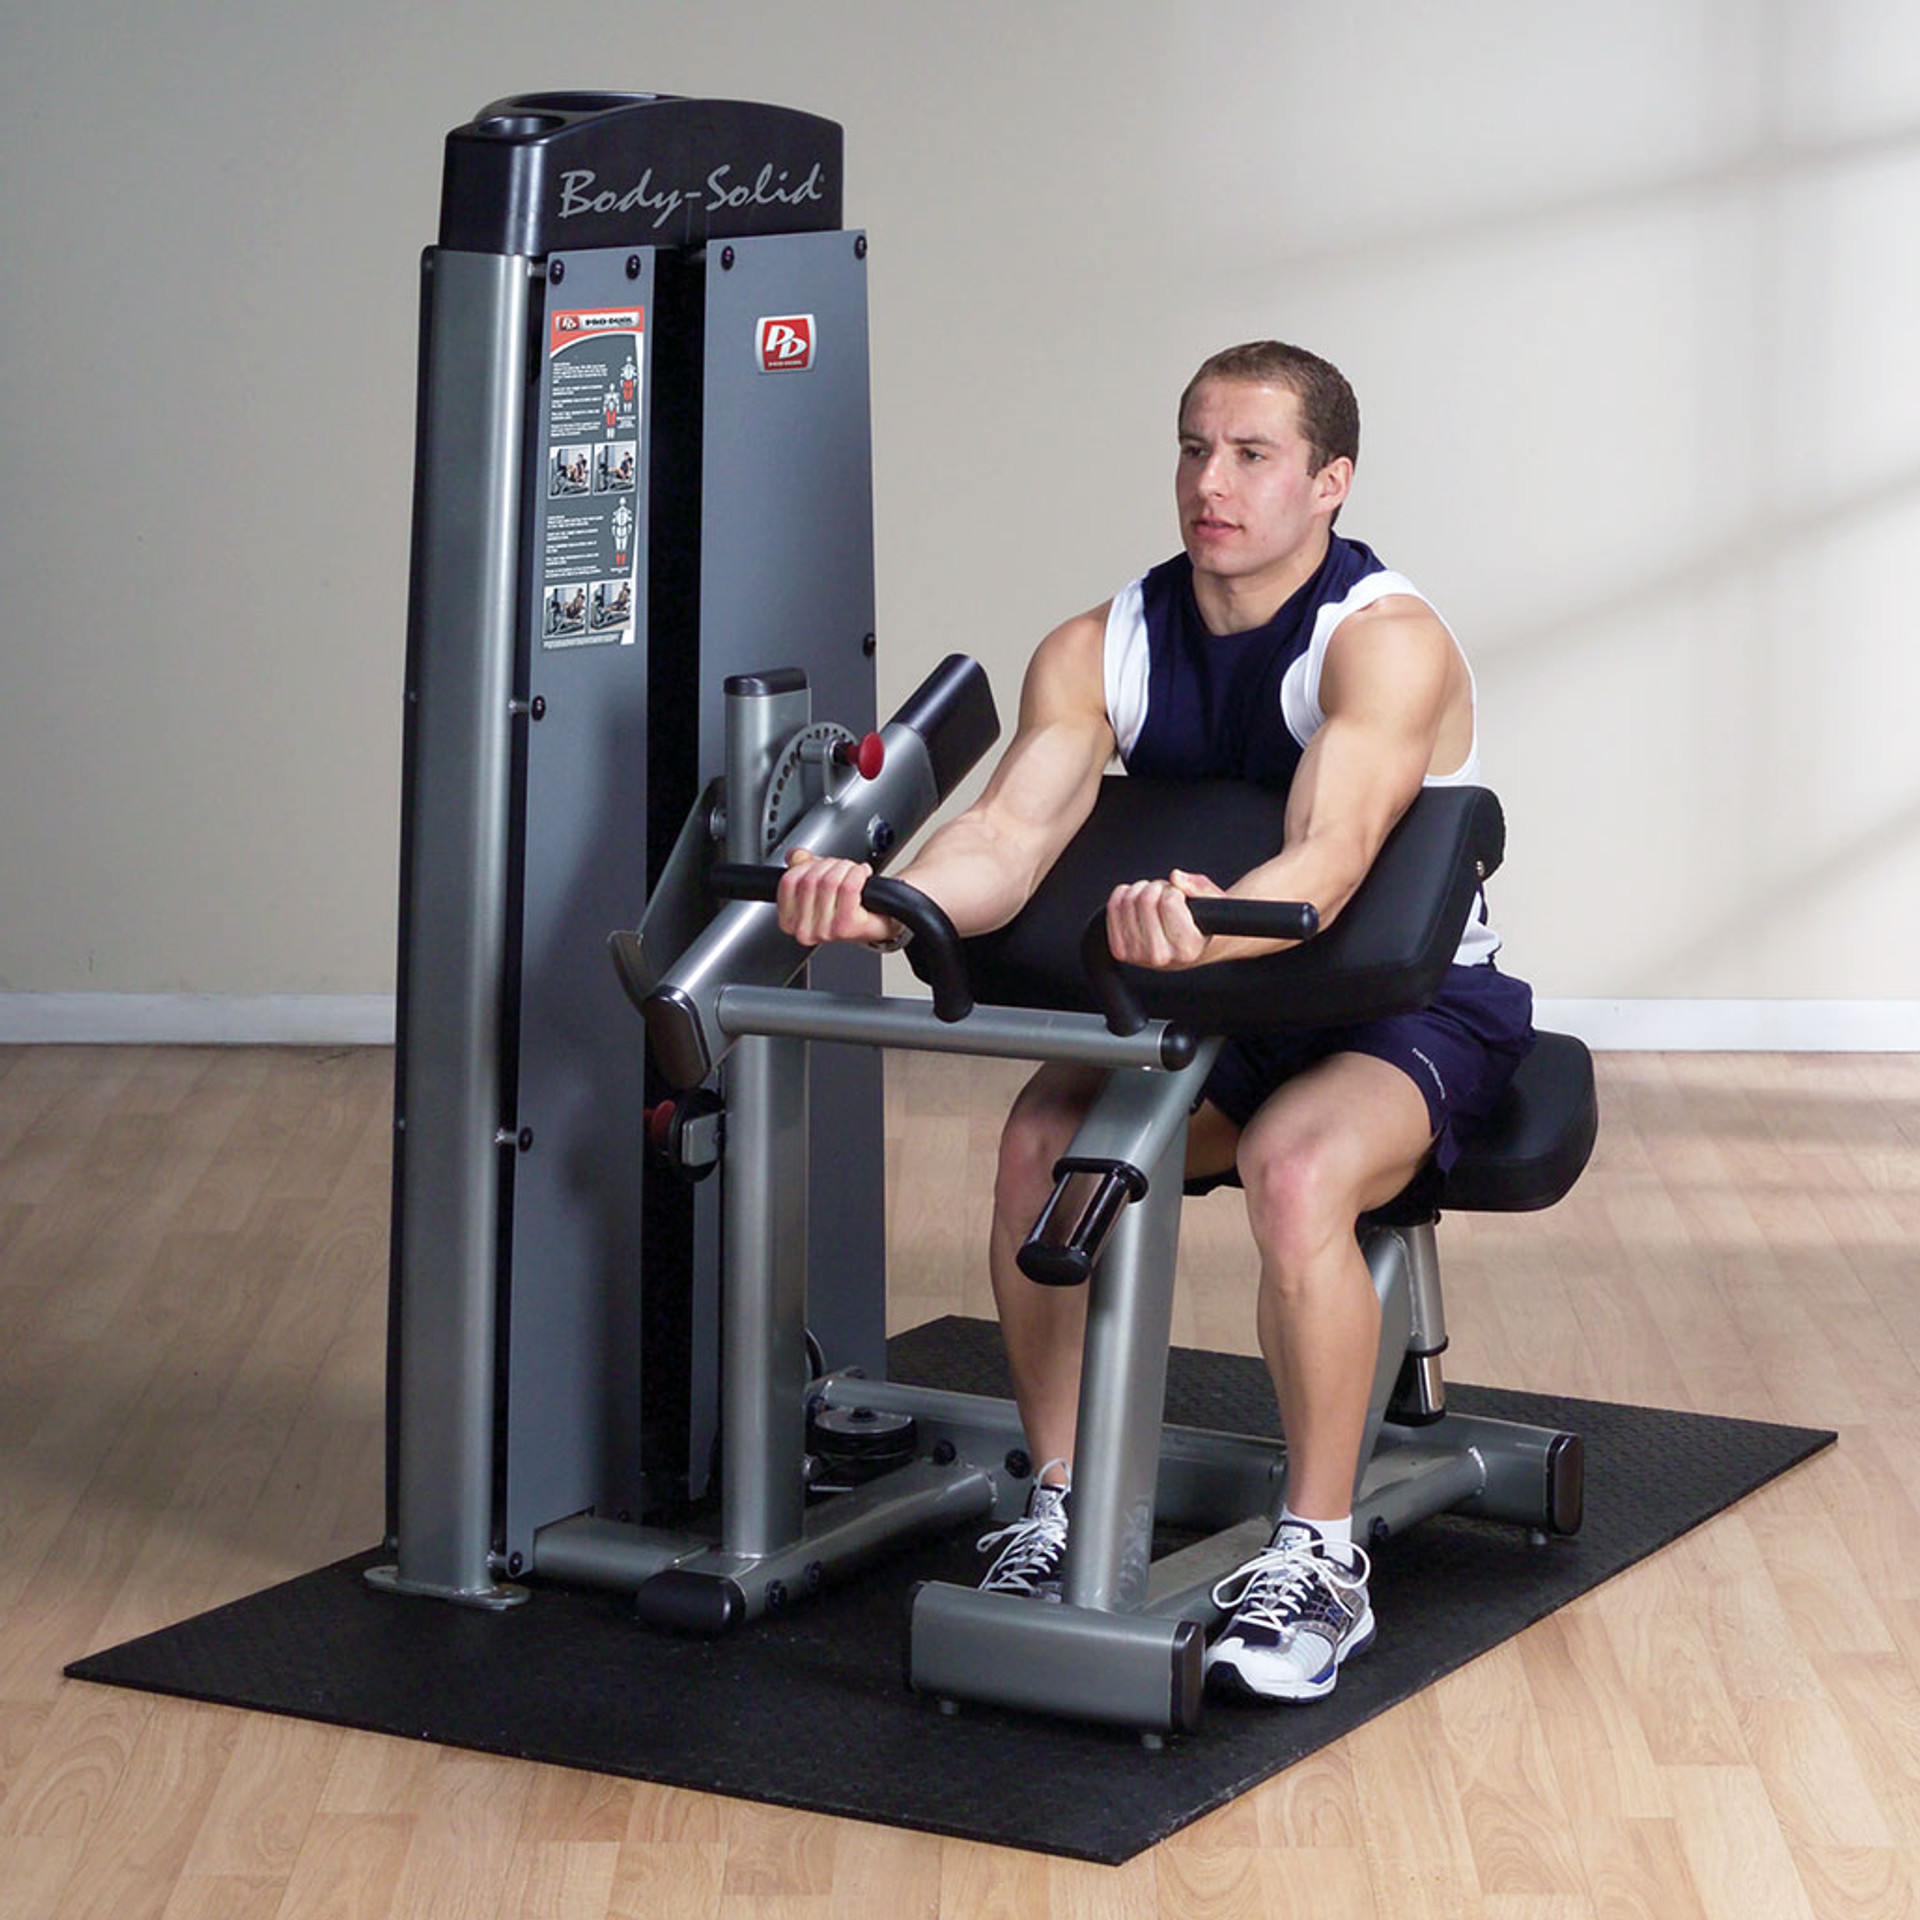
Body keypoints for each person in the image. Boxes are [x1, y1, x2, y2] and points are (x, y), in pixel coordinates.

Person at [776, 342, 1533, 1704]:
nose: (1210, 483)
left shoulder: (1383, 642)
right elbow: (1011, 835)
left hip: (1406, 1007)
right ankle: (1063, 1505)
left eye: (1251, 455)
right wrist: (889, 903)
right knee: (1041, 1146)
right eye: (1194, 449)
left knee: (1295, 1168)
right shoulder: (1102, 644)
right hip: (1219, 1010)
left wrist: (1212, 918)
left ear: (1330, 481)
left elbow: (1333, 854)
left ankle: (1321, 1556)